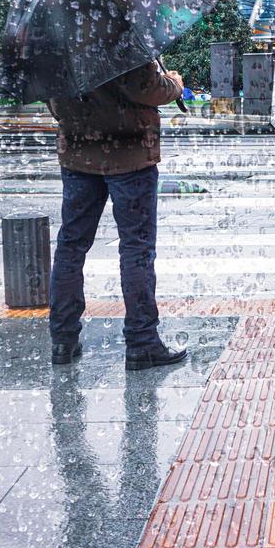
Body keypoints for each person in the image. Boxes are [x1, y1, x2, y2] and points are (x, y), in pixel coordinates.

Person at [47, 61, 187, 370]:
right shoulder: (119, 33)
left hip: (77, 153)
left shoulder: (57, 37)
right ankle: (142, 342)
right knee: (136, 249)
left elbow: (53, 100)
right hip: (130, 155)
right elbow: (146, 88)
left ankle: (62, 340)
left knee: (70, 246)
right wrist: (174, 82)